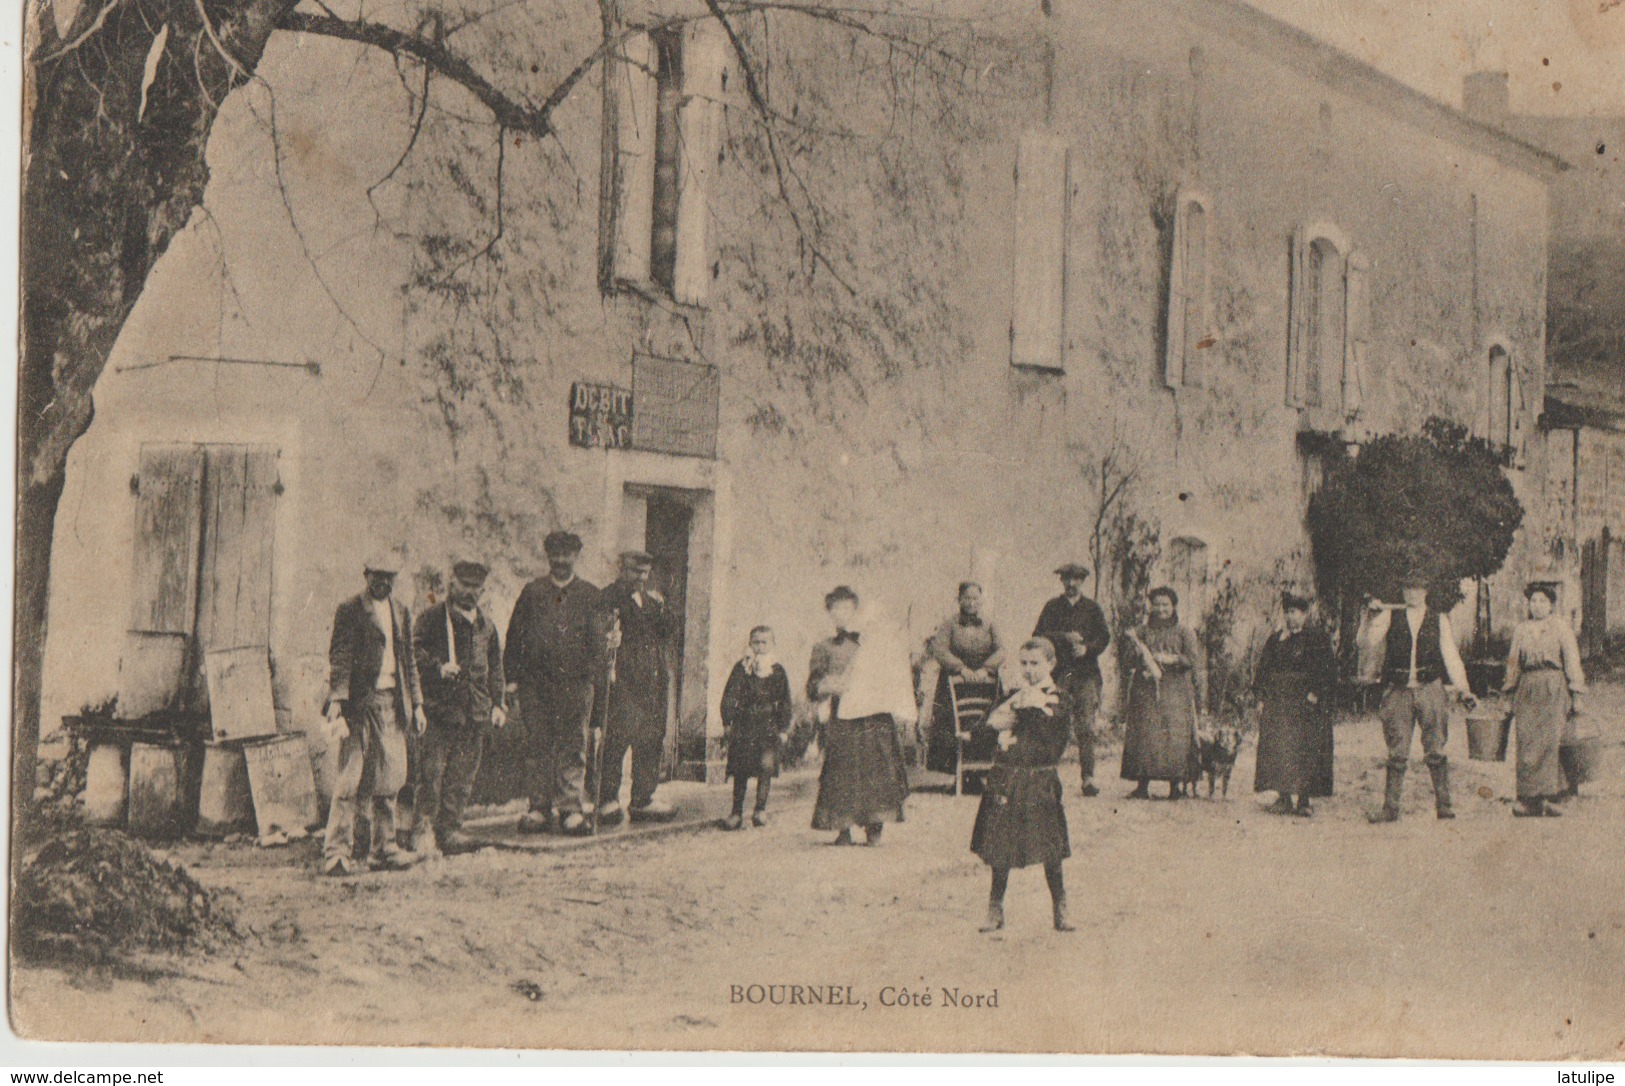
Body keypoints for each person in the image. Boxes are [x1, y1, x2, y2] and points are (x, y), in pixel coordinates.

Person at [320, 552, 427, 876]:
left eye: (389, 577)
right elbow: (340, 656)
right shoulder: (351, 610)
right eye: (377, 576)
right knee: (349, 782)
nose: (383, 582)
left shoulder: (402, 612)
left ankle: (385, 849)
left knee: (390, 781)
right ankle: (337, 852)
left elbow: (409, 662)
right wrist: (338, 699)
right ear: (365, 575)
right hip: (359, 707)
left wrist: (418, 705)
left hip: (392, 705)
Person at [504, 530, 606, 836]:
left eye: (567, 555)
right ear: (548, 557)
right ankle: (538, 807)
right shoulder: (532, 592)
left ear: (576, 556)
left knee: (573, 744)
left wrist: (596, 682)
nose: (561, 561)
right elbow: (514, 638)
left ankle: (571, 809)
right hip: (535, 685)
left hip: (575, 685)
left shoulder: (590, 595)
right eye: (555, 555)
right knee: (538, 745)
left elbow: (598, 644)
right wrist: (512, 679)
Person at [971, 638, 1074, 934]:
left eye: (1035, 664)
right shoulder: (1014, 695)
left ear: (1051, 664)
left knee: (1050, 845)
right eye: (1024, 664)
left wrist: (1020, 712)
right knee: (1000, 844)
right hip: (1008, 775)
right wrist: (998, 722)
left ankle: (1060, 905)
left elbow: (1049, 738)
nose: (1028, 670)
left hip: (1039, 777)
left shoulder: (1059, 699)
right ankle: (995, 906)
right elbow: (983, 731)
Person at [1358, 576, 1477, 823]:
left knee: (1436, 748)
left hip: (1430, 689)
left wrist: (1464, 689)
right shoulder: (1390, 616)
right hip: (1398, 691)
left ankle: (1444, 806)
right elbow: (1365, 642)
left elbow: (1451, 656)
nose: (1411, 594)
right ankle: (1390, 809)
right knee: (1397, 751)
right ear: (1402, 592)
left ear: (1425, 591)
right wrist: (1368, 616)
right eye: (1407, 589)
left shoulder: (1439, 619)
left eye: (1417, 589)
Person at [412, 560, 508, 855]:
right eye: (464, 585)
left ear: (482, 590)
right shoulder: (432, 619)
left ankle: (450, 831)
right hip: (441, 711)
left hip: (474, 713)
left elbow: (495, 668)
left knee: (462, 778)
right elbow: (412, 652)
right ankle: (422, 832)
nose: (469, 592)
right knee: (432, 774)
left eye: (475, 588)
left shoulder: (486, 626)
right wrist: (437, 668)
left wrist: (498, 703)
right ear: (452, 584)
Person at [808, 586, 913, 845]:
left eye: (846, 609)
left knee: (876, 770)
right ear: (829, 614)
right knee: (842, 771)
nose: (841, 615)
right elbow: (813, 686)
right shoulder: (824, 646)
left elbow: (891, 674)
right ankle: (842, 827)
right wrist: (828, 685)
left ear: (856, 611)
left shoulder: (873, 641)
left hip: (875, 720)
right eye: (835, 610)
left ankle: (875, 826)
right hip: (843, 720)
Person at [596, 551, 679, 824]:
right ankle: (606, 799)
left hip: (651, 683)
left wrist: (663, 606)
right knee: (616, 739)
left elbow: (668, 630)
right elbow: (598, 635)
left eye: (645, 572)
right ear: (621, 568)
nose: (641, 577)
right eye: (634, 571)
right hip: (623, 682)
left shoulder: (650, 601)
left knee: (650, 739)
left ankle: (643, 799)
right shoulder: (608, 598)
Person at [1501, 583, 1586, 819]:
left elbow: (1572, 660)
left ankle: (1552, 797)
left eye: (1542, 601)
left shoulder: (1560, 628)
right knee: (1527, 742)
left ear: (1551, 605)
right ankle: (1528, 800)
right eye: (1533, 601)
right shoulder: (1521, 630)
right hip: (1527, 688)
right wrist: (1508, 694)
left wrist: (1576, 693)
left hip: (1554, 686)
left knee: (1551, 741)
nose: (1537, 606)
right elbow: (1513, 664)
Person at [1252, 590, 1336, 817]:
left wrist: (1316, 692)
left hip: (1307, 704)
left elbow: (1327, 670)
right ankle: (1284, 797)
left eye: (1295, 612)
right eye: (1287, 612)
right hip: (1279, 703)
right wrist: (1261, 697)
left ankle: (1305, 800)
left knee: (1305, 748)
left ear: (1305, 614)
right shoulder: (1276, 639)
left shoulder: (1317, 639)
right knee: (1280, 747)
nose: (1291, 618)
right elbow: (1264, 670)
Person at [1034, 563, 1111, 797]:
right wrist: (1063, 638)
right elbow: (1038, 635)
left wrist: (1087, 649)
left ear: (1083, 582)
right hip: (1060, 673)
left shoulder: (1092, 609)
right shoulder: (1052, 607)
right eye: (1067, 579)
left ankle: (1088, 778)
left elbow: (1104, 637)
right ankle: (1046, 776)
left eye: (1076, 579)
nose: (1071, 584)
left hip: (1086, 674)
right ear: (1062, 581)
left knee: (1085, 726)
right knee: (1054, 723)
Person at [1120, 587, 1204, 800]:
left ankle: (1175, 786)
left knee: (1174, 736)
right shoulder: (1142, 631)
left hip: (1175, 691)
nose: (1161, 609)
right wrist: (1141, 659)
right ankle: (1142, 785)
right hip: (1146, 690)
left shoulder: (1184, 632)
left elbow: (1193, 661)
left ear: (1173, 606)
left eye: (1165, 604)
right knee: (1145, 735)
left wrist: (1174, 659)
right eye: (1156, 604)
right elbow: (1128, 659)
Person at [924, 582, 1005, 776]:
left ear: (981, 600)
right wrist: (961, 668)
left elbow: (1001, 650)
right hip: (955, 680)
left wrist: (986, 669)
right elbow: (939, 650)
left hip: (984, 682)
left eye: (975, 598)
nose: (970, 602)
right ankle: (959, 776)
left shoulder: (990, 624)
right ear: (959, 600)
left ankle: (982, 773)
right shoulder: (949, 624)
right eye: (966, 598)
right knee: (952, 724)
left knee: (987, 720)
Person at [719, 626, 793, 830]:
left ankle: (760, 810)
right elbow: (729, 695)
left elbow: (785, 700)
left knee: (765, 768)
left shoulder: (777, 671)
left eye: (764, 642)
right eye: (755, 642)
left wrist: (783, 728)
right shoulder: (742, 668)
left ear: (772, 644)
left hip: (767, 725)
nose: (759, 647)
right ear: (750, 643)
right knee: (740, 770)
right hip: (744, 724)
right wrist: (727, 721)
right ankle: (736, 813)